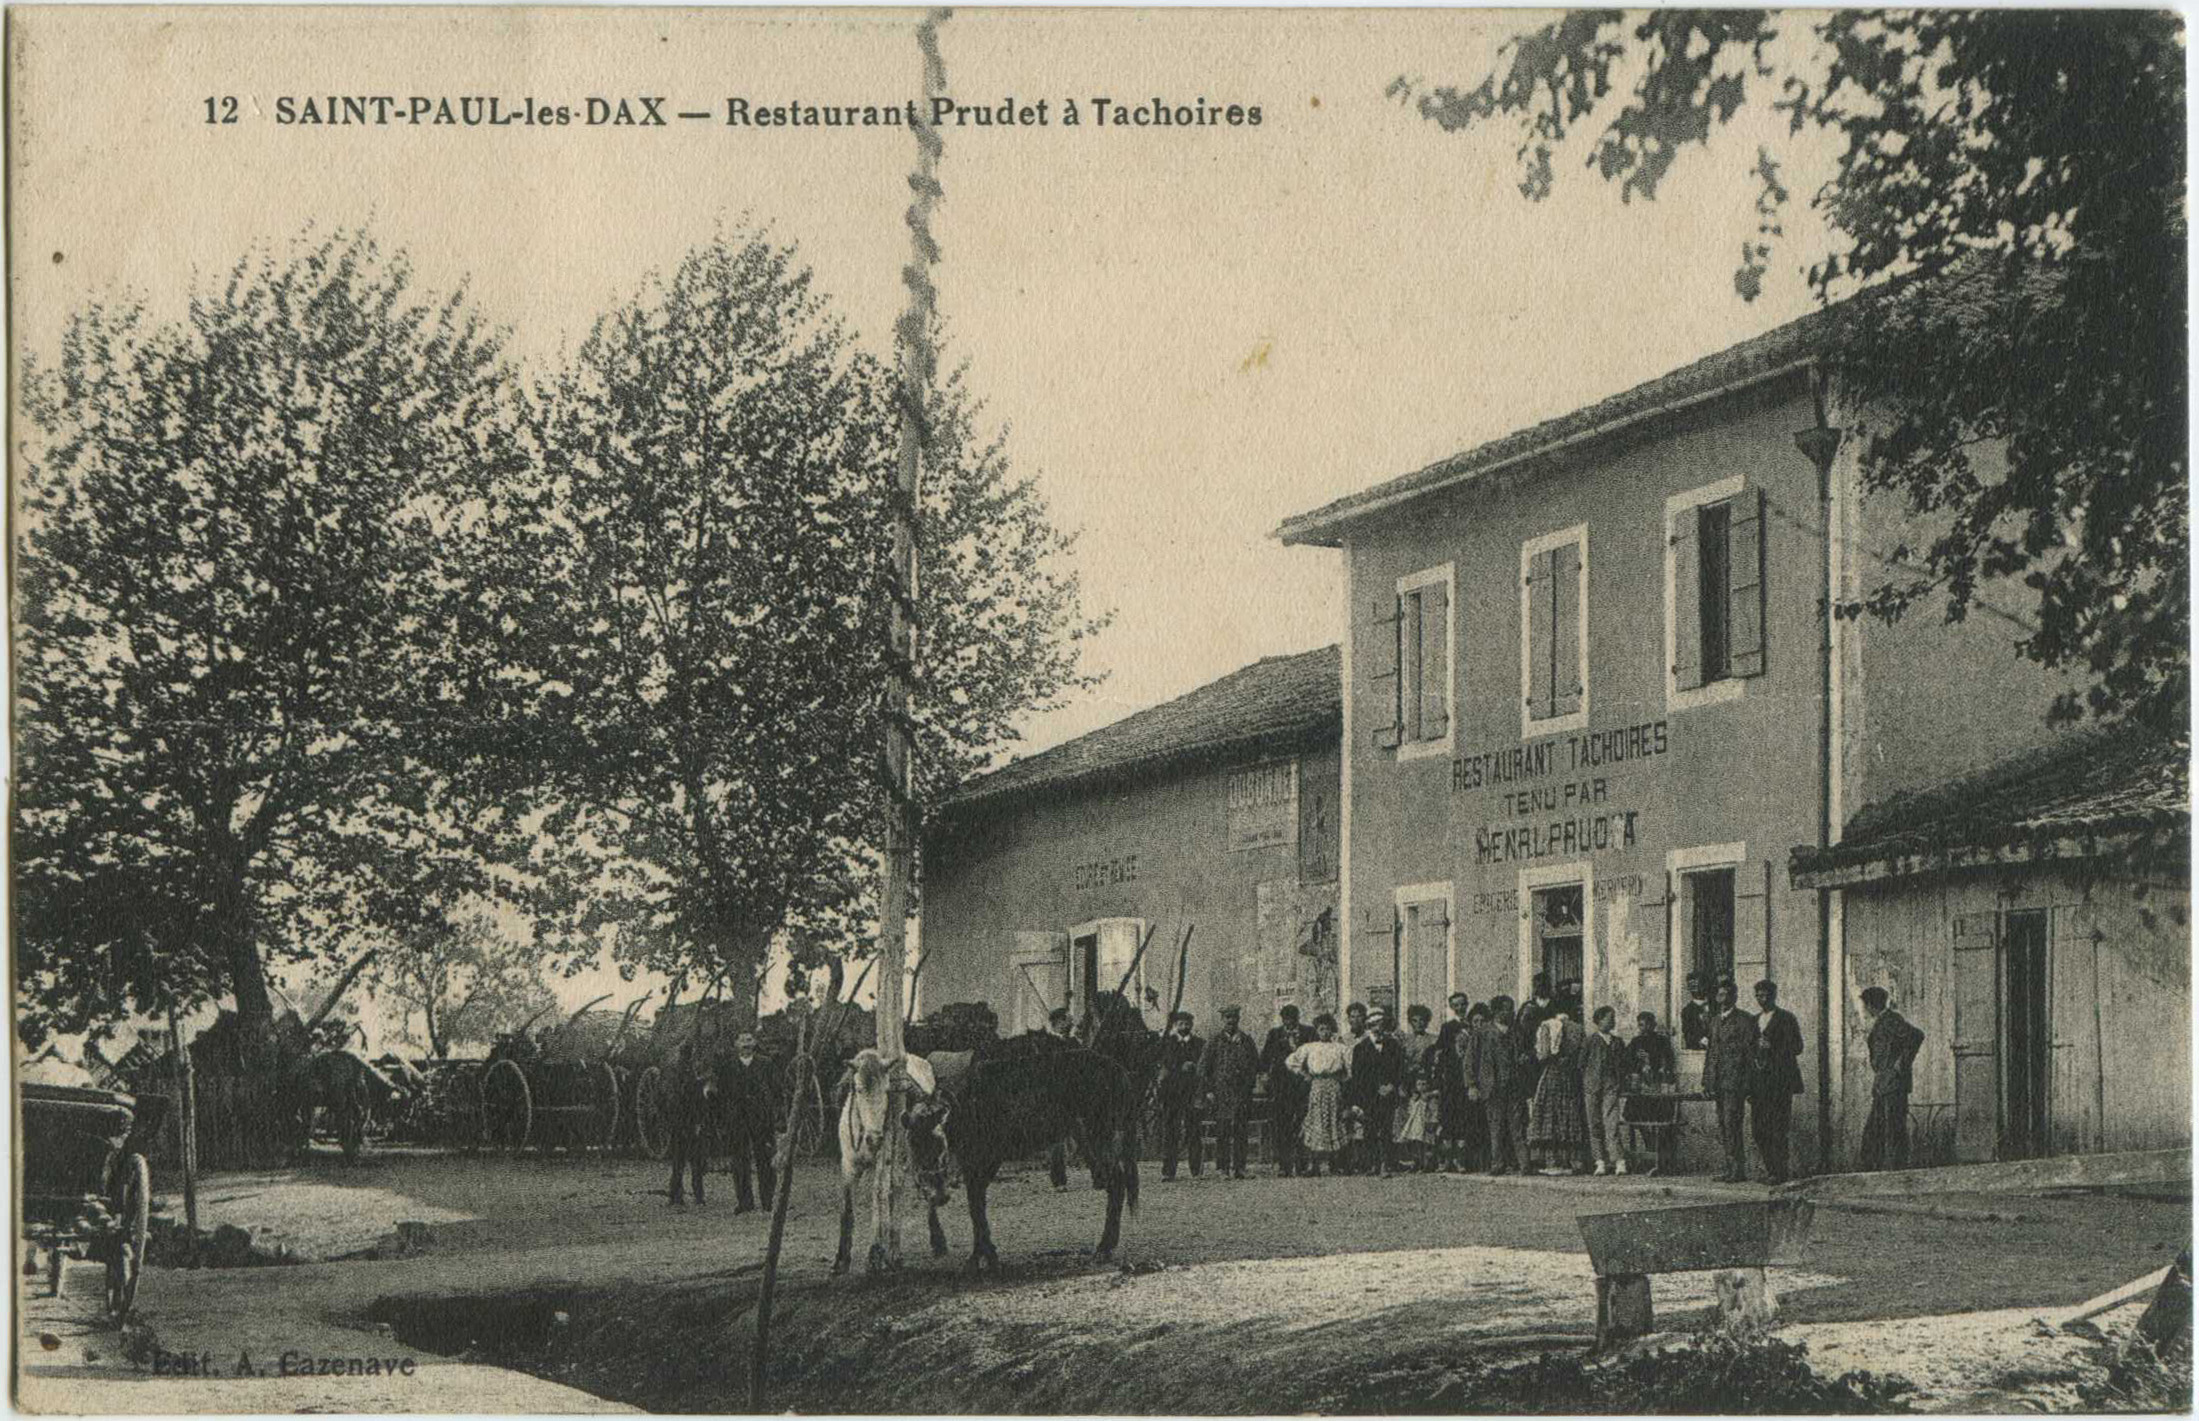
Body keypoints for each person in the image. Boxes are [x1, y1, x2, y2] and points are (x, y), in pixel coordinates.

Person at [1860, 987, 1927, 1171]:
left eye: (1866, 1005)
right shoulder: (1883, 1020)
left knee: (1894, 1130)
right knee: (1877, 1130)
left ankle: (1897, 1170)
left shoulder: (1891, 1019)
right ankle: (1879, 1169)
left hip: (1893, 1084)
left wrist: (1900, 1065)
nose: (1865, 1009)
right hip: (1883, 1084)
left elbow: (1917, 1035)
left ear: (1872, 1005)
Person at [1749, 979, 1805, 1183]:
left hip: (1780, 1084)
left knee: (1778, 1128)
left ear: (1774, 995)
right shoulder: (1753, 1021)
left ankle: (1779, 1173)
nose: (1761, 999)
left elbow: (1798, 1047)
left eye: (1765, 995)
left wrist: (1772, 1046)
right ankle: (1771, 1169)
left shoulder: (1786, 1018)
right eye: (1758, 995)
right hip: (1758, 1085)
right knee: (1758, 1130)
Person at [1702, 979, 1758, 1183]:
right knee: (1723, 1126)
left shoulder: (1745, 1020)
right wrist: (1707, 1081)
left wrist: (1748, 1084)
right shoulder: (1715, 1021)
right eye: (1718, 995)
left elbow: (1750, 1055)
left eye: (1725, 995)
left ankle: (1738, 1169)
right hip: (1718, 1082)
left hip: (1735, 1082)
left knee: (1732, 1124)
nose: (1721, 999)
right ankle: (1729, 1167)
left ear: (1734, 997)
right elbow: (1711, 1054)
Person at [718, 1030, 780, 1213]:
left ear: (755, 1043)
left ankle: (768, 1201)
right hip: (737, 1119)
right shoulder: (728, 1066)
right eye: (742, 1040)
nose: (746, 1043)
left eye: (749, 1040)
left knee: (765, 1159)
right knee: (739, 1160)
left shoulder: (766, 1064)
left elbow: (776, 1090)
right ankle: (745, 1202)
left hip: (761, 1119)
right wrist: (725, 1118)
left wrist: (772, 1114)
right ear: (736, 1044)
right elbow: (723, 1094)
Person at [1286, 1013, 1351, 1176]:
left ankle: (1334, 1164)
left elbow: (1352, 1066)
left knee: (1333, 1121)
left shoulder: (1340, 1048)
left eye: (1328, 1029)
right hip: (1316, 1086)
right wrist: (1304, 1074)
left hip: (1333, 1087)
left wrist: (1344, 1077)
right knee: (1316, 1122)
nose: (1325, 1032)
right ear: (1317, 1030)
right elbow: (1290, 1061)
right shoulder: (1310, 1047)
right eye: (1321, 1029)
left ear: (1332, 1030)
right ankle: (1314, 1165)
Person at [1467, 996, 1526, 1175]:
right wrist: (1471, 1085)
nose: (1511, 1012)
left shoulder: (1516, 1032)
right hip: (1491, 1087)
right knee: (1496, 1127)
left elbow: (1522, 1055)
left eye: (1512, 1008)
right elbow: (1470, 1060)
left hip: (1514, 1086)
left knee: (1517, 1127)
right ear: (1496, 1011)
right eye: (1507, 1009)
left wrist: (1523, 1060)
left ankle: (1524, 1164)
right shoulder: (1482, 1033)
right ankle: (1497, 1163)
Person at [1200, 1005, 1260, 1180]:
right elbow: (1203, 1068)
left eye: (1234, 1017)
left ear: (1238, 1019)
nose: (1231, 1021)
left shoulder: (1246, 1041)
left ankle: (1240, 1168)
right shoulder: (1214, 1041)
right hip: (1221, 1093)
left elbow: (1255, 1064)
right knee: (1223, 1130)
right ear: (1223, 1020)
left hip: (1241, 1092)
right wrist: (1209, 1090)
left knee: (1241, 1130)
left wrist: (1249, 1085)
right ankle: (1222, 1168)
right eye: (1227, 1018)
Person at [1528, 1000, 1588, 1173]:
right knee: (1569, 1114)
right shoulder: (1578, 1028)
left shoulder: (1548, 1026)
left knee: (1550, 1113)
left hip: (1552, 1074)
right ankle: (1573, 1161)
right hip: (1570, 1076)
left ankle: (1552, 1161)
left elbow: (1544, 1055)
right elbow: (1581, 1056)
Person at [1350, 1008, 1405, 1176]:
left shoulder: (1394, 1045)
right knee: (1370, 1130)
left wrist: (1392, 1086)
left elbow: (1400, 1069)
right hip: (1369, 1096)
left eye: (1381, 1025)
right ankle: (1372, 1163)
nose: (1378, 1029)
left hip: (1388, 1094)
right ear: (1369, 1027)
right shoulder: (1360, 1048)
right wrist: (1365, 1095)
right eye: (1374, 1025)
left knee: (1387, 1129)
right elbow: (1358, 1076)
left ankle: (1386, 1164)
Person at [1623, 1011, 1681, 1174]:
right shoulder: (1635, 1042)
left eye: (1647, 1024)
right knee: (1633, 1115)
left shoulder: (1662, 1041)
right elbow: (1627, 1061)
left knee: (1659, 1119)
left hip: (1656, 1087)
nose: (1644, 1028)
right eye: (1641, 1025)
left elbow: (1667, 1063)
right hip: (1641, 1087)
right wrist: (1637, 1063)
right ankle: (1649, 1150)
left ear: (1653, 1025)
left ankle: (1658, 1157)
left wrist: (1651, 1062)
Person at [1260, 1004, 1314, 1177]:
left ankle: (1302, 1164)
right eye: (1286, 1019)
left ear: (1298, 1018)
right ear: (1282, 1019)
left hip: (1303, 1086)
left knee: (1302, 1124)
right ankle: (1284, 1164)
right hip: (1281, 1087)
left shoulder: (1309, 1033)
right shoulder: (1274, 1034)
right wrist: (1264, 1076)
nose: (1289, 1023)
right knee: (1282, 1126)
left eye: (1293, 1019)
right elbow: (1265, 1058)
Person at [665, 1038, 716, 1207]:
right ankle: (697, 1196)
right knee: (695, 1161)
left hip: (678, 1122)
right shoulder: (691, 1076)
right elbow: (697, 1100)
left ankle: (676, 1195)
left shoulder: (674, 1072)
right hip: (690, 1121)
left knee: (679, 1161)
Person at [1156, 1011, 1206, 1180]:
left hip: (1192, 1093)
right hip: (1172, 1094)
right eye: (1181, 1023)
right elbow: (1163, 1067)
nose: (1184, 1027)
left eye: (1187, 1023)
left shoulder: (1200, 1044)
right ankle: (1168, 1171)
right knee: (1171, 1132)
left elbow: (1205, 1066)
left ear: (1191, 1025)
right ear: (1176, 1025)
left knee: (1194, 1131)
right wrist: (1179, 1068)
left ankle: (1196, 1170)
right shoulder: (1167, 1044)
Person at [1580, 1006, 1628, 1176]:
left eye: (1613, 1017)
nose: (1612, 1021)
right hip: (1591, 1087)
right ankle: (1599, 1161)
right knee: (1594, 1125)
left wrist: (1619, 1082)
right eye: (1609, 1017)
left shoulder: (1617, 1042)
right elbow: (1581, 1064)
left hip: (1611, 1087)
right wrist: (1587, 1082)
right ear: (1599, 1020)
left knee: (1611, 1124)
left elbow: (1623, 1065)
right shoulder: (1589, 1041)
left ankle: (1618, 1161)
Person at [1394, 1004, 1441, 1172]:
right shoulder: (1405, 1041)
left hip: (1428, 1086)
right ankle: (1414, 1160)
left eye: (1422, 1021)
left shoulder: (1434, 1040)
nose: (1418, 1024)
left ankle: (1429, 1160)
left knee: (1428, 1123)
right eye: (1414, 1021)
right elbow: (1400, 1065)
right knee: (1412, 1123)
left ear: (1427, 1022)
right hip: (1410, 1086)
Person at [1433, 993, 1474, 1172]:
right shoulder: (1447, 1027)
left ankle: (1461, 1160)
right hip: (1451, 1080)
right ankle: (1446, 1159)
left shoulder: (1474, 1025)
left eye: (1462, 1004)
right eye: (1456, 1005)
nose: (1460, 1008)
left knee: (1465, 1119)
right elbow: (1441, 1054)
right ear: (1451, 1007)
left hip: (1469, 1079)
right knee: (1449, 1119)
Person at [1046, 1006, 1075, 1189]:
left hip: (1072, 1095)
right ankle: (1058, 1180)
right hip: (1053, 1096)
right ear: (1059, 1022)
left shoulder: (1073, 1043)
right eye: (1068, 1019)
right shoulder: (1047, 1043)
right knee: (1057, 1138)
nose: (1072, 1022)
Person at [1680, 973, 1714, 1051]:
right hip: (1697, 1051)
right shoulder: (1687, 1011)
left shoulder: (1715, 1007)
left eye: (1697, 985)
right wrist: (1703, 1040)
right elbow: (1688, 1033)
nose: (1695, 989)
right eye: (1692, 986)